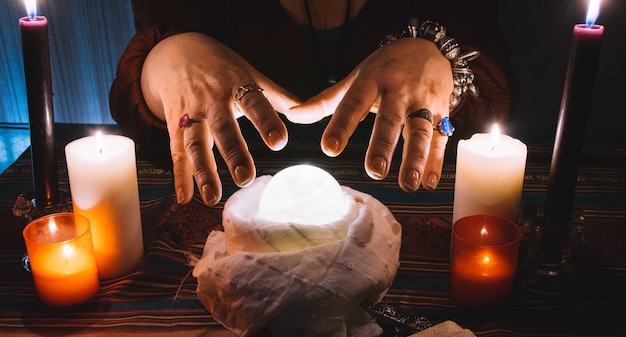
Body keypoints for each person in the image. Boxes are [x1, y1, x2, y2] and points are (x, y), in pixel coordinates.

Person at [110, 0, 515, 206]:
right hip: (232, 211)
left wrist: (443, 67)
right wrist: (164, 61)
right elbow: (140, 125)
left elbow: (496, 95)